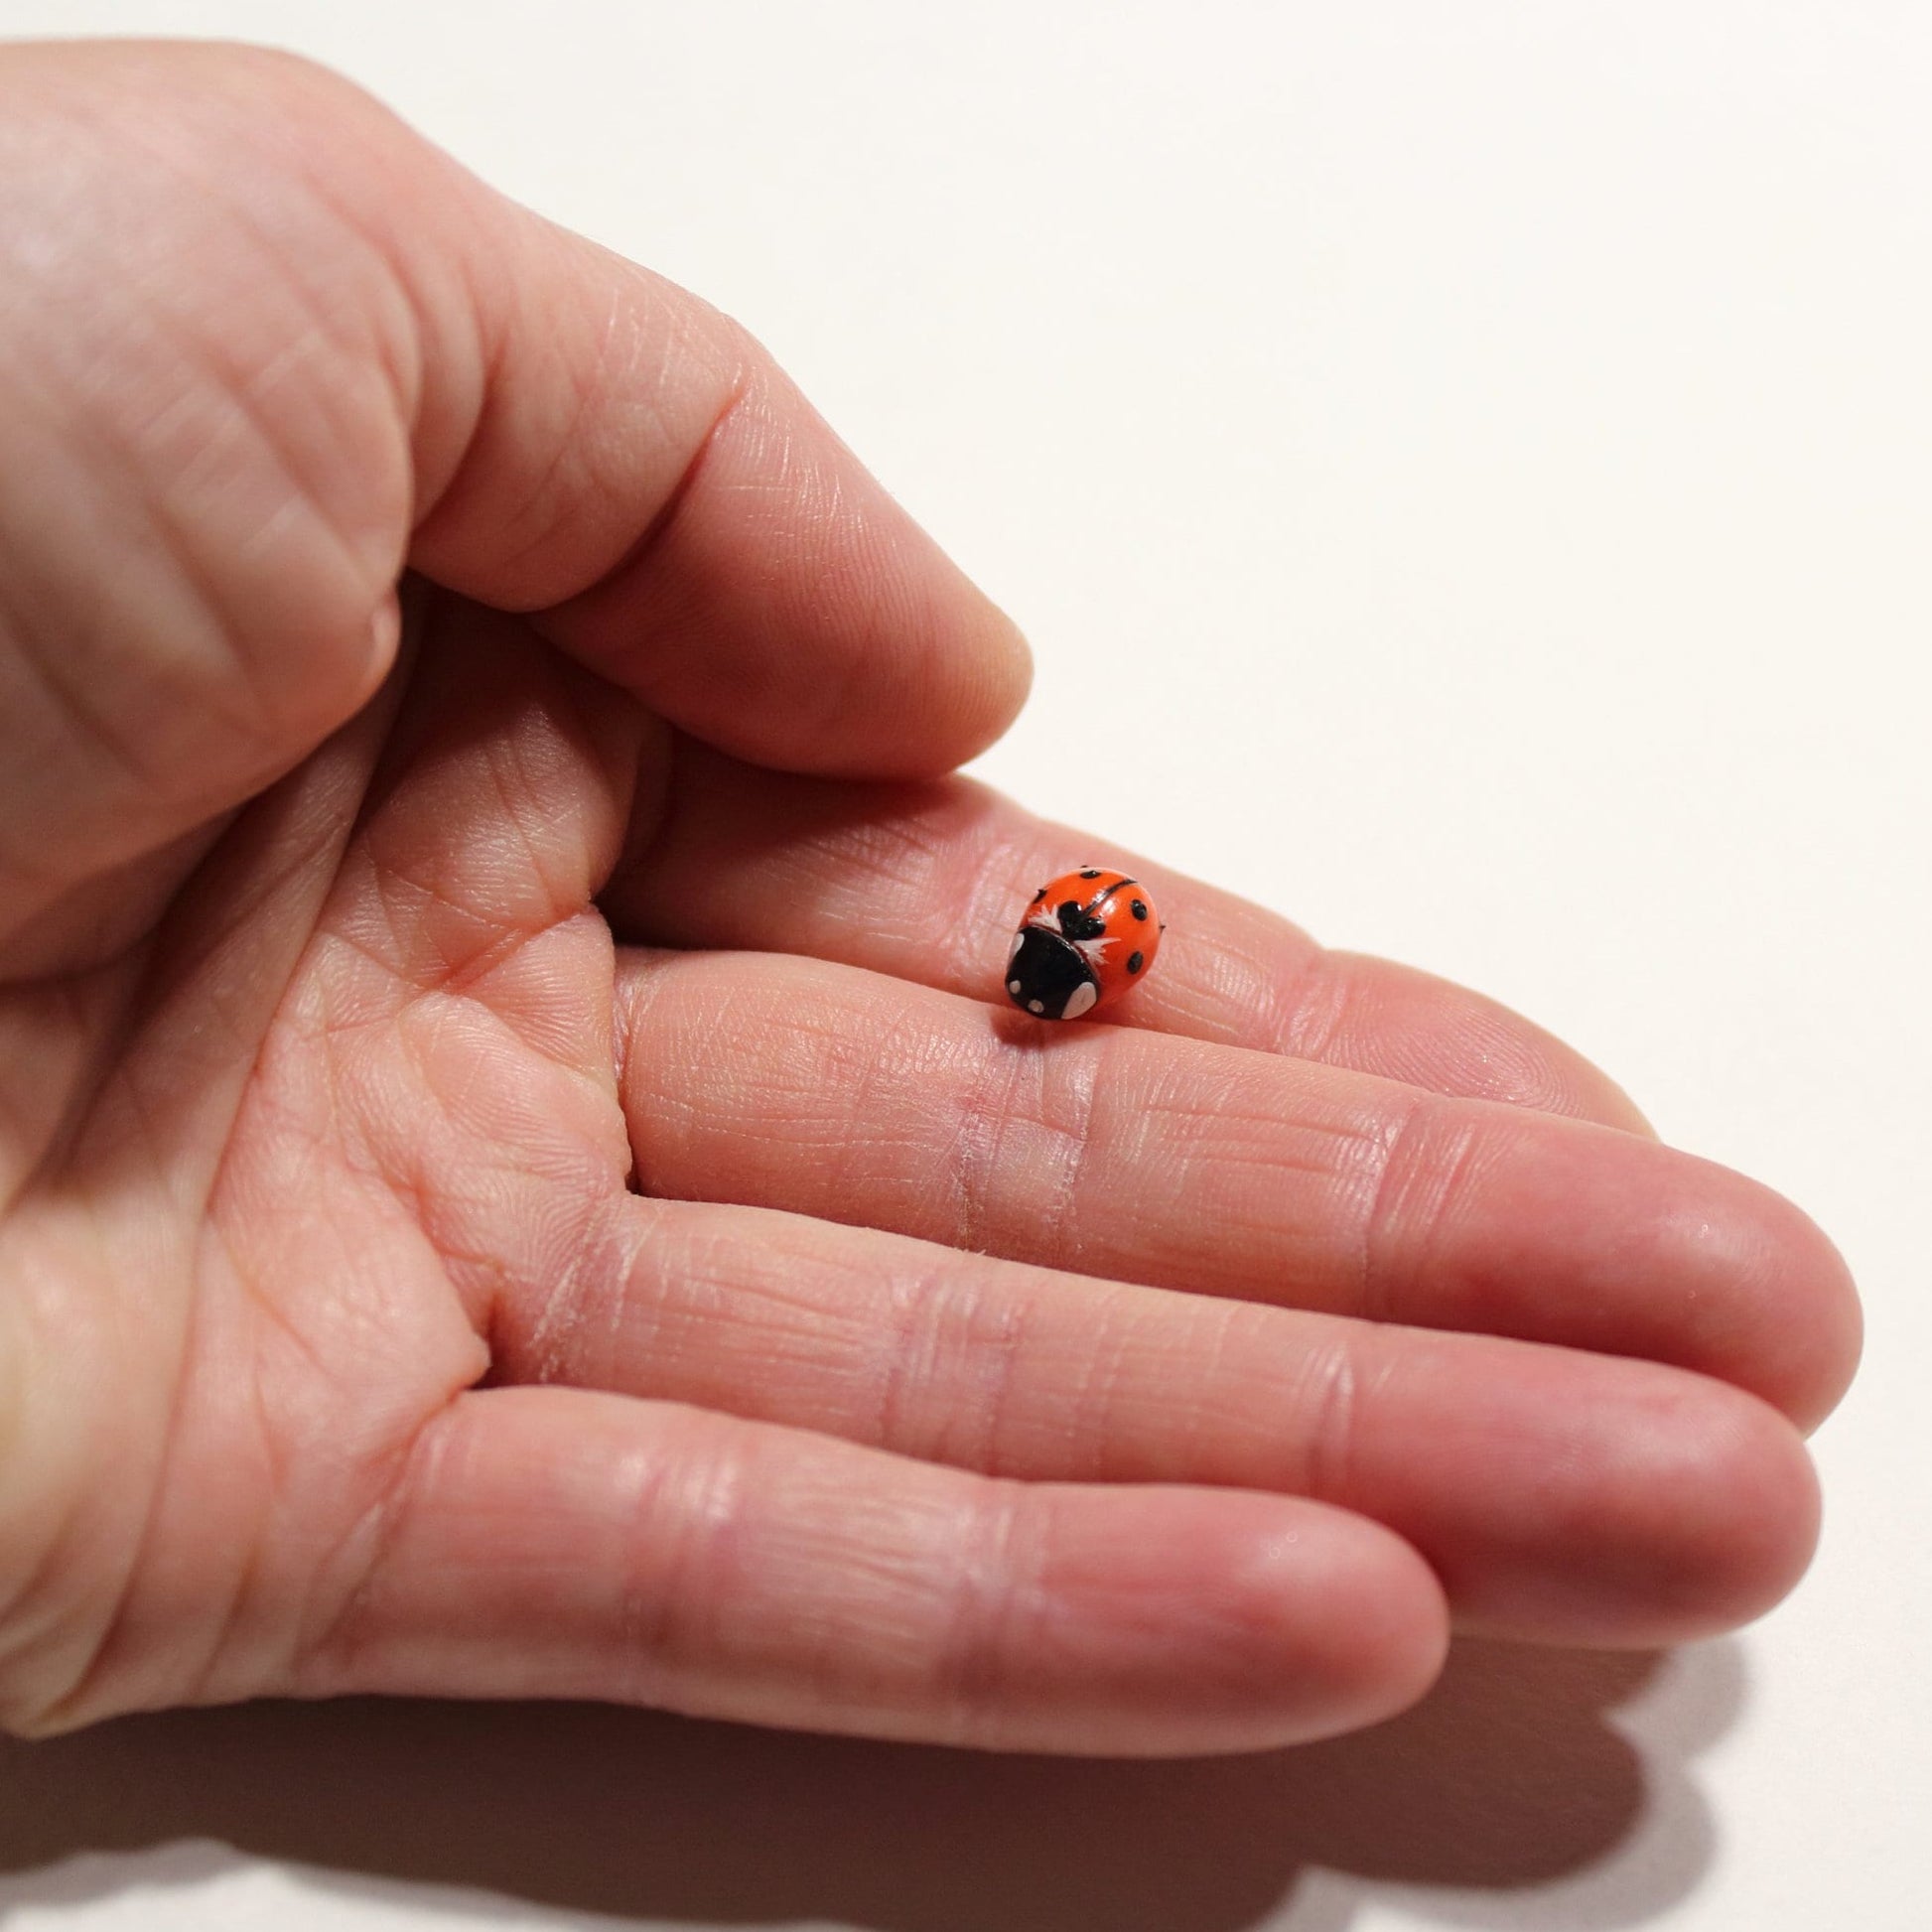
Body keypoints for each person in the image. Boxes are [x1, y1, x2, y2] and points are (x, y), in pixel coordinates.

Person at [0, 39, 1860, 1759]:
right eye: (1064, 970)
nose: (1062, 971)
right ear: (1065, 969)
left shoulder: (1065, 942)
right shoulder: (1051, 944)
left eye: (1064, 970)